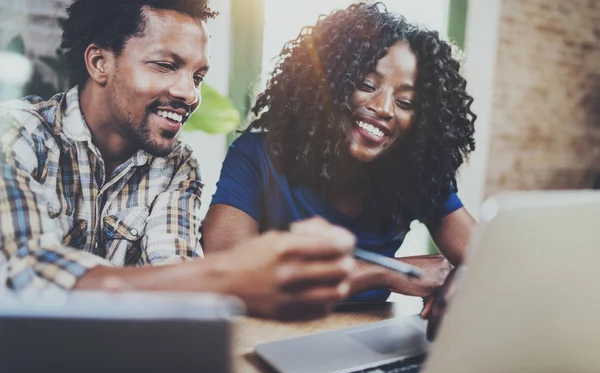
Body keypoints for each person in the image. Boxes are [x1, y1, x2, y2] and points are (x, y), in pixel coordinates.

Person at [0, 0, 357, 321]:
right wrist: (229, 274)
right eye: (165, 65)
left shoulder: (176, 166)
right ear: (99, 63)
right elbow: (27, 274)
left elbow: (175, 273)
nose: (189, 93)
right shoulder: (17, 135)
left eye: (197, 76)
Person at [203, 2, 477, 305]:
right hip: (269, 343)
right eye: (366, 84)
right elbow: (228, 274)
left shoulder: (417, 176)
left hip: (364, 346)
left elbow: (488, 264)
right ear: (326, 85)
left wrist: (460, 281)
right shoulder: (258, 156)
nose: (384, 108)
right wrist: (386, 272)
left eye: (406, 102)